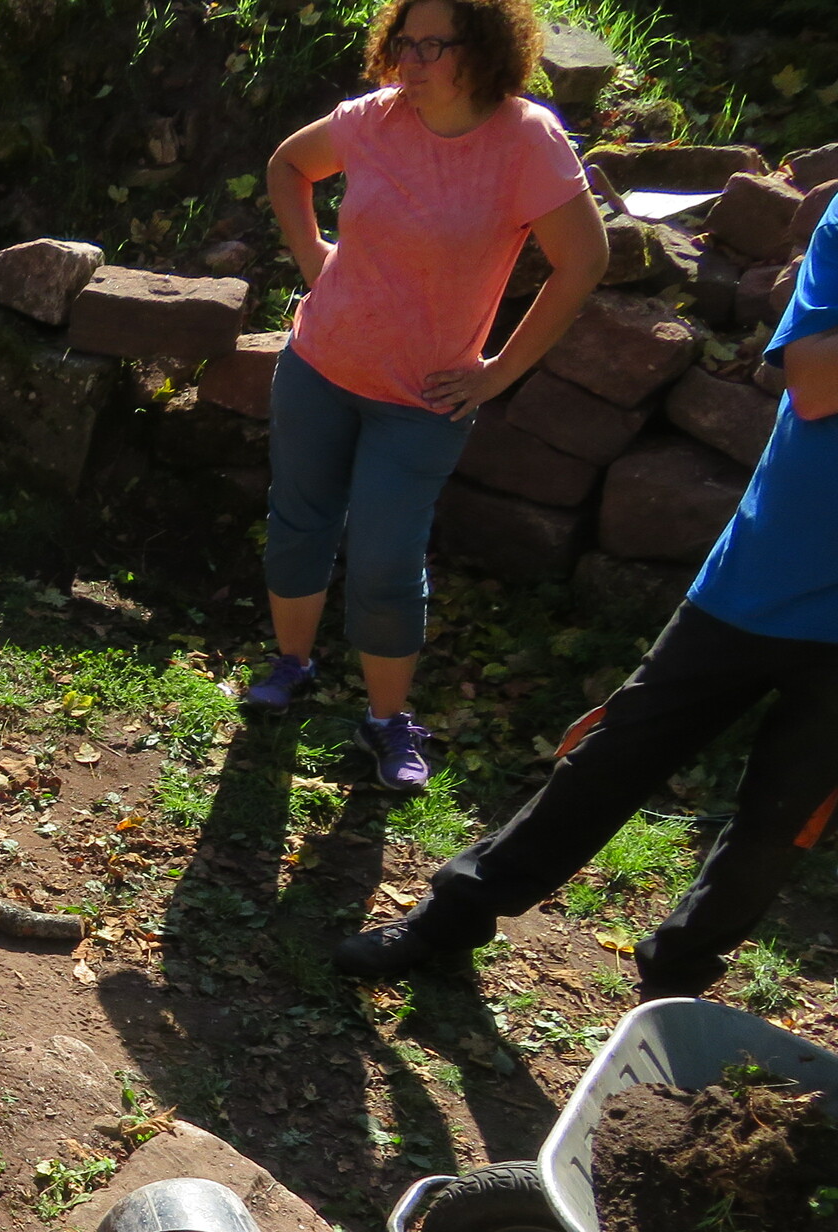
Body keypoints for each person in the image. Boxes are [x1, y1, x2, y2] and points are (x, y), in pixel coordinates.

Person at [334, 193, 838, 999]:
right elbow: (814, 381)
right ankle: (450, 921)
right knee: (612, 759)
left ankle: (676, 986)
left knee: (781, 826)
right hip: (758, 581)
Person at [242, 0, 609, 791]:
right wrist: (312, 256)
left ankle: (386, 721)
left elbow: (584, 259)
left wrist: (499, 372)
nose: (409, 62)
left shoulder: (527, 141)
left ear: (484, 49)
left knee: (386, 559)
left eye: (432, 45)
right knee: (299, 520)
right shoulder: (373, 118)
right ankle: (291, 665)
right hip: (320, 364)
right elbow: (287, 166)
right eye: (403, 42)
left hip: (423, 399)